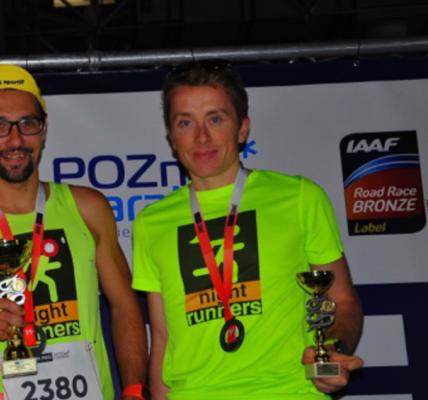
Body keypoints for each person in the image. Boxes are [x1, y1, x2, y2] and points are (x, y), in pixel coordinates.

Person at [0, 64, 149, 400]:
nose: (15, 140)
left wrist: (135, 390)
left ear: (44, 128)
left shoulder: (88, 208)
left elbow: (125, 306)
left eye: (27, 123)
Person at [131, 60, 365, 399]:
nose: (201, 137)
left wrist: (330, 349)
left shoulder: (299, 197)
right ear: (171, 137)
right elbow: (164, 339)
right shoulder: (151, 222)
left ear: (242, 129)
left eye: (215, 119)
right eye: (186, 122)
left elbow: (341, 300)